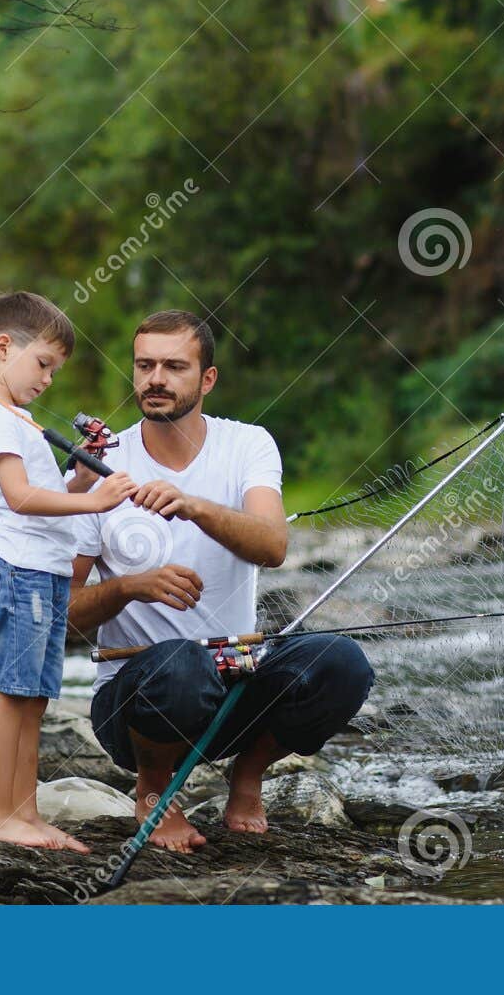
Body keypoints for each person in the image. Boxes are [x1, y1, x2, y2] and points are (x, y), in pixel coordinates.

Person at [68, 310, 374, 853]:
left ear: (207, 379)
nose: (155, 378)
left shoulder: (248, 445)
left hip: (233, 684)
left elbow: (272, 546)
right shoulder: (100, 465)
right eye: (144, 365)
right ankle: (153, 790)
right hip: (132, 702)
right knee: (181, 663)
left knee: (342, 663)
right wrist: (127, 587)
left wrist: (193, 505)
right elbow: (64, 612)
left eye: (173, 366)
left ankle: (248, 775)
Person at [0, 291, 137, 850]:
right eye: (42, 364)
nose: (47, 380)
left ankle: (26, 813)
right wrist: (97, 503)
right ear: (3, 346)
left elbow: (52, 494)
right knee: (11, 696)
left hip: (44, 574)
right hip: (17, 572)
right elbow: (18, 497)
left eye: (54, 372)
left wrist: (84, 482)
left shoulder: (21, 420)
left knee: (35, 698)